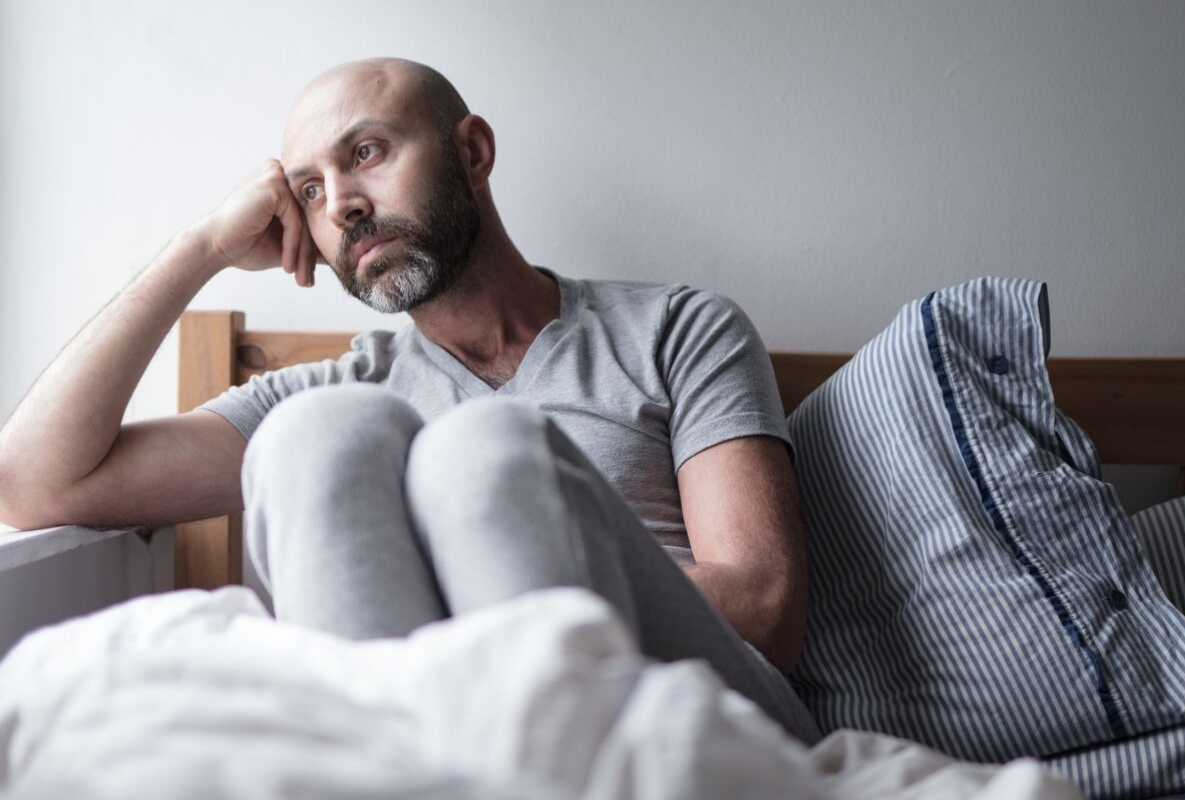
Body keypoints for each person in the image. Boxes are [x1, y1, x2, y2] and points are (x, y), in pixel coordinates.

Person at [0, 58, 818, 743]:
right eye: (310, 192)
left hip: (692, 715)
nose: (343, 203)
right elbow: (39, 484)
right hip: (436, 736)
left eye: (367, 151)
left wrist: (488, 585)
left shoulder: (675, 328)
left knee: (482, 452)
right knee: (310, 438)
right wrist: (201, 248)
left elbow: (763, 606)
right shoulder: (342, 394)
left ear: (474, 151)